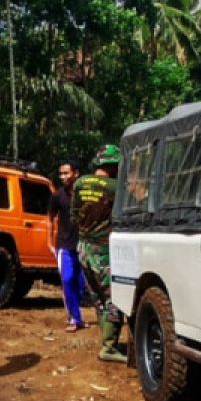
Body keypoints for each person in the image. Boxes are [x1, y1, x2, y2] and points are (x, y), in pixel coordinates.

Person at [73, 144, 125, 363]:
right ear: (112, 165)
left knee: (97, 298)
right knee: (114, 298)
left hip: (82, 249)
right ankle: (110, 347)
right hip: (104, 251)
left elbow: (73, 215)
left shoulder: (79, 183)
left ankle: (106, 341)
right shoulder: (115, 187)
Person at [47, 159, 86, 332]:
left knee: (80, 284)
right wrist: (49, 242)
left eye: (66, 173)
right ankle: (74, 318)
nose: (62, 176)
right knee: (67, 280)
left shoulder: (84, 195)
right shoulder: (57, 196)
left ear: (76, 173)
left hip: (83, 246)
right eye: (61, 173)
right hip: (64, 246)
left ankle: (77, 315)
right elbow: (50, 219)